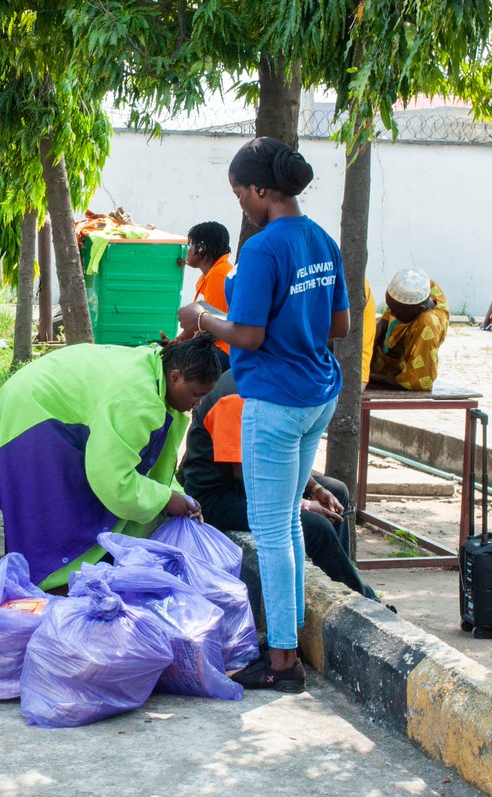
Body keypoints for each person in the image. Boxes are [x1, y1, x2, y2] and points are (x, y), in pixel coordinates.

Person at [177, 136, 349, 693]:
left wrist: (202, 317)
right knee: (290, 527)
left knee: (273, 530)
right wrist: (296, 327)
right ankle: (289, 638)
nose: (240, 205)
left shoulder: (262, 248)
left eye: (239, 194)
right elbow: (339, 326)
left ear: (258, 190)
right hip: (320, 393)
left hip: (275, 399)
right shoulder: (321, 239)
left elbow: (246, 333)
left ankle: (280, 661)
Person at [0, 335, 222, 591]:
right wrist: (166, 500)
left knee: (67, 522)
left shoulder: (155, 370)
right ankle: (44, 594)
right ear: (176, 377)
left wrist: (174, 493)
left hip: (42, 405)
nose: (197, 404)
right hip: (31, 417)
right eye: (196, 394)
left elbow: (151, 464)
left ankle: (40, 587)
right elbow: (111, 480)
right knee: (54, 527)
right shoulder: (136, 399)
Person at [180, 370, 380, 602]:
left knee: (337, 491)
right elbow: (248, 474)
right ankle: (362, 599)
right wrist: (302, 503)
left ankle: (341, 580)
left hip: (256, 479)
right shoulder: (235, 396)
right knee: (315, 526)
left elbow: (280, 454)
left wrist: (314, 489)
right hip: (221, 495)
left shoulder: (269, 382)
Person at [369, 268, 449, 391]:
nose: (393, 314)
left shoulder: (428, 326)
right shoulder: (420, 288)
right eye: (390, 307)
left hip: (398, 369)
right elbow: (392, 312)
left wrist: (373, 378)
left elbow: (419, 381)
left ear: (419, 309)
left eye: (397, 311)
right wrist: (380, 328)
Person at [186, 221, 235, 372]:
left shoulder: (218, 276)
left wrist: (182, 348)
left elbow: (211, 327)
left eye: (190, 245)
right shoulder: (213, 273)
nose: (187, 251)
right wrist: (180, 340)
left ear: (201, 248)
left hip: (225, 350)